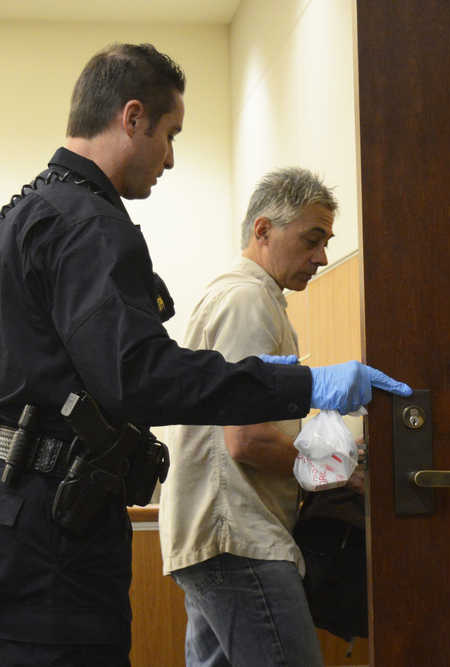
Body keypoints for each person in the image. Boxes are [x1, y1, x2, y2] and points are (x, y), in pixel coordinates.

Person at [0, 43, 411, 667]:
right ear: (133, 116)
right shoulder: (90, 221)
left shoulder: (31, 209)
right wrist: (304, 387)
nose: (170, 158)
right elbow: (137, 375)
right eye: (170, 135)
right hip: (56, 526)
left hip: (19, 505)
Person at [160, 167, 360, 667]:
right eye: (312, 240)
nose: (322, 257)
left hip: (223, 535)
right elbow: (246, 440)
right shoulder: (247, 301)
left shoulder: (249, 297)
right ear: (264, 230)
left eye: (326, 242)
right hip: (240, 537)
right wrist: (343, 472)